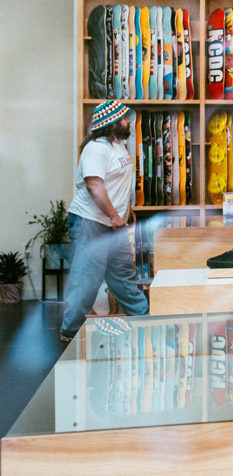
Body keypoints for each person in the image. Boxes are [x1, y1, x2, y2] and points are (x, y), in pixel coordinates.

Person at [59, 100, 149, 342]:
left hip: (113, 223)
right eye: (124, 118)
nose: (129, 121)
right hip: (91, 222)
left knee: (123, 277)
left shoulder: (117, 146)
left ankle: (145, 319)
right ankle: (69, 332)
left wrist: (126, 211)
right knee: (87, 279)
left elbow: (119, 183)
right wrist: (114, 216)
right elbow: (95, 187)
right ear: (111, 123)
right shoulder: (96, 149)